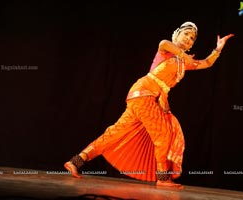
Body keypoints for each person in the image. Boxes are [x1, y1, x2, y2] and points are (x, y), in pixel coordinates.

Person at [64, 21, 234, 188]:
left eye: (191, 39)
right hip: (145, 94)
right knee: (163, 134)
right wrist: (183, 55)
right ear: (177, 34)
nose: (188, 39)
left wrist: (218, 49)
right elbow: (164, 42)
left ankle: (75, 161)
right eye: (185, 34)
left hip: (143, 97)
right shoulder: (166, 50)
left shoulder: (183, 63)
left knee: (115, 133)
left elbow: (206, 63)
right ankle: (162, 178)